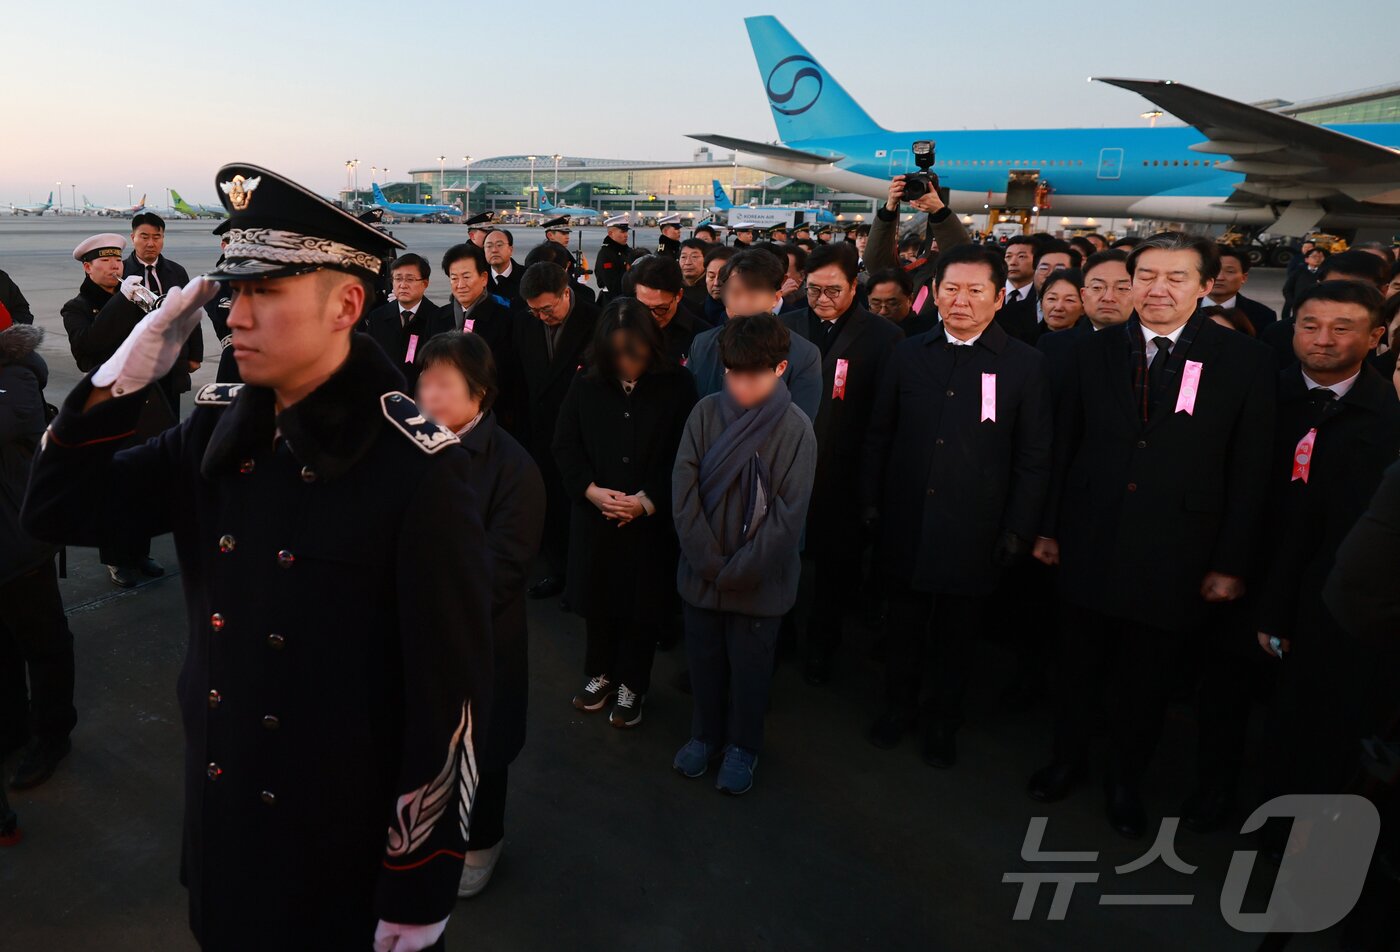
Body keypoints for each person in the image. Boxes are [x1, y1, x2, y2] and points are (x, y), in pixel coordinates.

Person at [22, 163, 493, 952]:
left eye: (262, 294)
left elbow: (451, 702)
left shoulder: (417, 470)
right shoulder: (217, 430)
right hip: (225, 824)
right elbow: (57, 509)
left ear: (346, 304)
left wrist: (418, 883)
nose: (233, 316)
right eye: (232, 291)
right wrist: (116, 384)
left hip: (336, 855)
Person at [1028, 232, 1275, 839]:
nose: (1157, 289)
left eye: (1176, 278)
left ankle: (1125, 782)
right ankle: (1067, 760)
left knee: (1147, 678)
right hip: (1090, 534)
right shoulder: (1094, 349)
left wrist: (1230, 562)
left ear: (1205, 284)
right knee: (1077, 664)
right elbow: (1065, 445)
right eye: (1146, 276)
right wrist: (1049, 527)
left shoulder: (1244, 360)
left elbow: (1251, 470)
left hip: (1176, 550)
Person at [1186, 280, 1400, 834]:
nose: (1322, 340)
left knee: (1307, 718)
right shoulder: (1259, 393)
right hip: (1242, 573)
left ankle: (1282, 821)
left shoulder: (1387, 420)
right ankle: (1212, 793)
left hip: (1325, 595)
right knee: (1223, 699)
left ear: (1376, 336)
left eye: (1342, 328)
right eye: (1310, 325)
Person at [861, 244, 1053, 766]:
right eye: (951, 289)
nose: (961, 301)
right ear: (935, 293)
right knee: (902, 628)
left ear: (997, 298)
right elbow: (879, 433)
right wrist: (871, 500)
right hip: (907, 521)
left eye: (975, 291)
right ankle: (898, 706)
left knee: (957, 638)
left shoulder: (1025, 364)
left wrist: (1019, 527)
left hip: (976, 531)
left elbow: (1034, 458)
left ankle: (943, 719)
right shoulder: (908, 352)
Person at [415, 331, 544, 899]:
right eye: (424, 382)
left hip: (479, 638)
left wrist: (430, 600)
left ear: (481, 394)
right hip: (414, 633)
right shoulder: (408, 446)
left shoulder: (513, 467)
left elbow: (506, 567)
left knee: (481, 749)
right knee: (421, 743)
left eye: (444, 384)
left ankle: (482, 842)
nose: (429, 394)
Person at [671, 314, 817, 795]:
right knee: (705, 664)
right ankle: (704, 735)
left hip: (760, 581)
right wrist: (709, 562)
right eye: (732, 373)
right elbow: (683, 493)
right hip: (703, 574)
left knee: (752, 671)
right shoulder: (705, 412)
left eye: (752, 374)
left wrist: (736, 570)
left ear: (780, 369)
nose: (739, 384)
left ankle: (743, 746)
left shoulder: (797, 429)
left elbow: (788, 517)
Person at [553, 299, 697, 727]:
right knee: (598, 602)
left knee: (642, 607)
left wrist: (647, 500)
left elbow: (685, 453)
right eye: (616, 353)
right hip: (596, 516)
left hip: (649, 522)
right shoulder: (586, 384)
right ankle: (599, 674)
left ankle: (634, 684)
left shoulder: (678, 383)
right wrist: (590, 491)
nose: (626, 363)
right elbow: (565, 444)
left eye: (635, 352)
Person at [783, 242, 902, 684]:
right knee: (783, 559)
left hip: (846, 469)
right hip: (787, 466)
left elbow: (884, 414)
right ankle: (782, 638)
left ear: (855, 286)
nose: (822, 300)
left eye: (833, 290)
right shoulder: (788, 325)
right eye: (814, 290)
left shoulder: (884, 336)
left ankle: (823, 646)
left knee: (835, 570)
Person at [60, 233, 175, 588]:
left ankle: (139, 551)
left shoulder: (136, 298)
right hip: (107, 402)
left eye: (117, 262)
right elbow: (88, 347)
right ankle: (116, 557)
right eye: (105, 262)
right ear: (87, 267)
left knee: (142, 482)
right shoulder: (76, 307)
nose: (114, 268)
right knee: (112, 487)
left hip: (144, 397)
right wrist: (123, 304)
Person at [0, 324, 76, 791]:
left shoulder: (17, 372)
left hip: (17, 541)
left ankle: (51, 735)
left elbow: (9, 422)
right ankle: (11, 729)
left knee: (43, 645)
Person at [516, 262, 600, 600]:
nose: (541, 316)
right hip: (538, 432)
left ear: (566, 293)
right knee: (548, 506)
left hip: (581, 436)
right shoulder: (524, 322)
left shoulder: (596, 320)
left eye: (547, 309)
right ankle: (558, 572)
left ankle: (581, 581)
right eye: (534, 310)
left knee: (577, 511)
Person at [686, 248, 822, 422]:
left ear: (776, 297)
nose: (742, 303)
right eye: (735, 293)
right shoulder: (702, 344)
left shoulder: (804, 354)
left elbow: (798, 423)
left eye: (753, 294)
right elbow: (689, 410)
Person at [434, 242, 521, 430]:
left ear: (483, 278)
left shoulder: (505, 318)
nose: (460, 285)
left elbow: (511, 373)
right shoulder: (438, 318)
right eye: (454, 278)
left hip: (491, 416)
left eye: (466, 277)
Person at [127, 212, 202, 403]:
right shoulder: (123, 273)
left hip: (172, 360)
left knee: (169, 417)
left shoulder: (176, 272)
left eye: (156, 237)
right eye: (144, 237)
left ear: (163, 238)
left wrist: (195, 355)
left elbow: (190, 312)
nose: (150, 243)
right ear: (133, 238)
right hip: (136, 360)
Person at [1037, 250, 1131, 397]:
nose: (1108, 297)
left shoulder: (1153, 346)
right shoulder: (1053, 345)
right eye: (1097, 288)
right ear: (1083, 294)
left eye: (1122, 289)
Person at [361, 253, 441, 390]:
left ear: (425, 283)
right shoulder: (378, 316)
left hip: (425, 396)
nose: (403, 285)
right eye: (398, 279)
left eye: (410, 279)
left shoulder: (438, 318)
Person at [631, 254, 705, 366]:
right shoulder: (623, 327)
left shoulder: (702, 337)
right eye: (644, 307)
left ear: (679, 295)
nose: (652, 316)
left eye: (661, 308)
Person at [1204, 246, 1276, 336]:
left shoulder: (1263, 314)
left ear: (1244, 277)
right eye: (1213, 270)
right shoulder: (1183, 308)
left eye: (1230, 271)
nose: (1219, 278)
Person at [867, 268, 935, 337]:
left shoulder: (926, 334)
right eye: (876, 304)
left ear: (910, 299)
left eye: (892, 304)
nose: (883, 311)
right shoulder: (865, 333)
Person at [997, 235, 1039, 343]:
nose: (1012, 262)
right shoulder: (992, 291)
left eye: (1021, 256)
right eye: (1008, 257)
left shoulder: (1041, 298)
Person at [595, 216, 636, 302]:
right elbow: (611, 283)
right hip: (611, 300)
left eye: (626, 231)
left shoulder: (628, 251)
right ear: (611, 233)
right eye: (622, 231)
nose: (626, 235)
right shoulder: (606, 254)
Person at [1281, 245, 1327, 321]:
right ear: (1306, 259)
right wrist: (1294, 303)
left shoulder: (1326, 273)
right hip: (1299, 307)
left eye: (1320, 257)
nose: (1317, 259)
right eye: (1314, 256)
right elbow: (1287, 289)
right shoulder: (1298, 272)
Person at [483, 228, 523, 306]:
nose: (494, 250)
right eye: (489, 246)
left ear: (510, 250)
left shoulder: (527, 276)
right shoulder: (478, 278)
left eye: (499, 245)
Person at [1038, 268, 1084, 334]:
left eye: (1069, 300)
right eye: (1052, 298)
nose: (1058, 307)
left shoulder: (1090, 341)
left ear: (1083, 308)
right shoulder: (1024, 339)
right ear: (1041, 304)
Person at [679, 237, 710, 314]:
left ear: (706, 259)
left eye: (694, 257)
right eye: (683, 257)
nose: (687, 262)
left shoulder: (711, 287)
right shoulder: (672, 285)